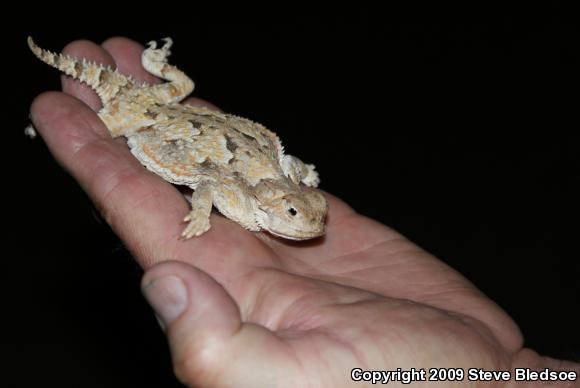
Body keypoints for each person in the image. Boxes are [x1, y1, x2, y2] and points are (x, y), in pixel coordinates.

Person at [29, 37, 579, 388]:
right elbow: (215, 178)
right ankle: (108, 95)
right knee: (107, 130)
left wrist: (505, 376)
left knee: (160, 110)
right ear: (275, 203)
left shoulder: (276, 184)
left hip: (192, 125)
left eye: (308, 214)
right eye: (296, 213)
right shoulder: (249, 191)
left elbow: (286, 172)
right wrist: (200, 212)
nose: (309, 224)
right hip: (158, 118)